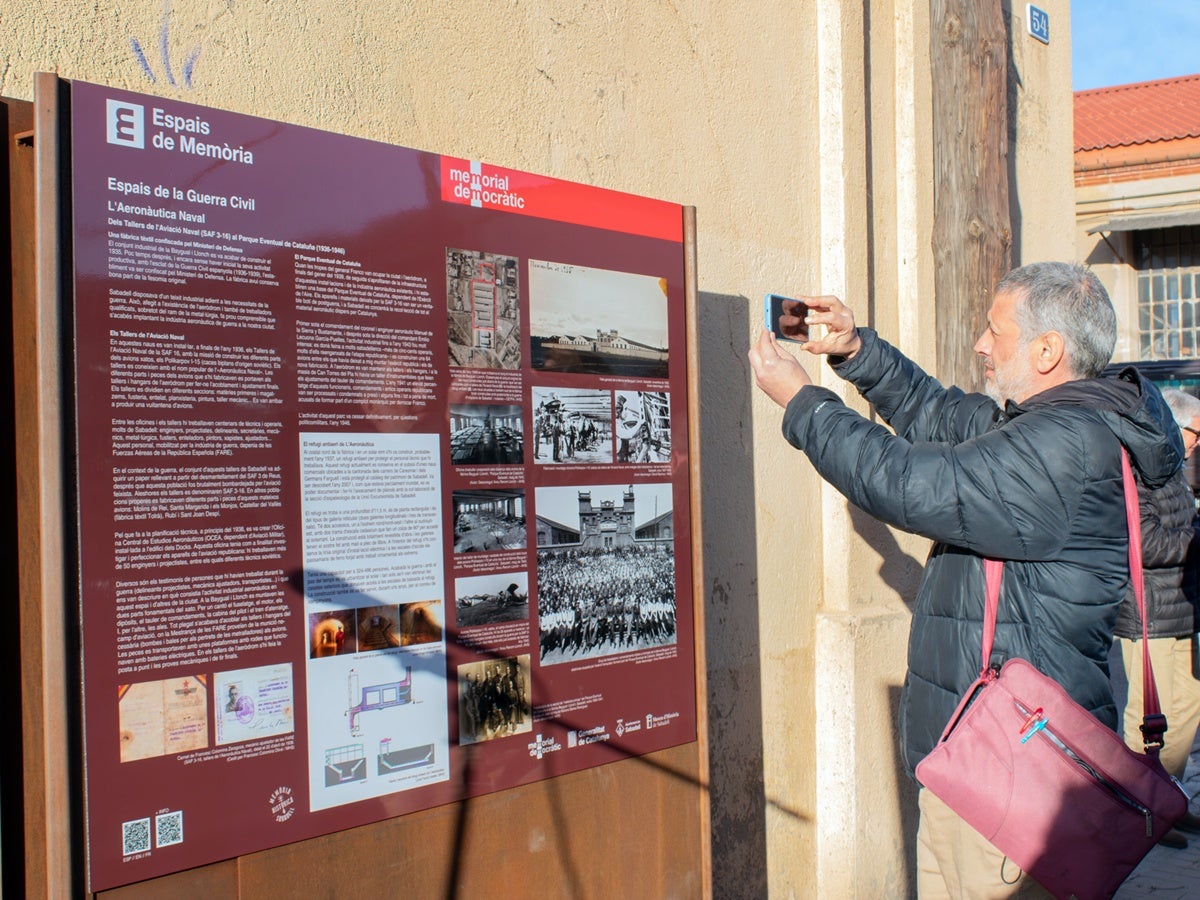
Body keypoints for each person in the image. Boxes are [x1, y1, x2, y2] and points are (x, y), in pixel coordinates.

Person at [747, 261, 1183, 897]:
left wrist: (803, 403)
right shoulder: (1048, 426)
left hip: (1013, 773)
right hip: (985, 755)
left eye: (994, 330)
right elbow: (938, 415)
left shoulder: (1064, 446)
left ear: (1046, 350)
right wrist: (856, 351)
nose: (981, 344)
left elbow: (910, 483)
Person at [1115, 387, 1200, 848]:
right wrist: (1194, 542)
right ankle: (1139, 812)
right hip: (1147, 610)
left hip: (1183, 608)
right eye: (1196, 434)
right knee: (1148, 716)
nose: (1198, 444)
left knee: (1190, 703)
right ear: (1174, 424)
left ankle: (1168, 798)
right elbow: (1140, 541)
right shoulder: (1139, 467)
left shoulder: (1175, 469)